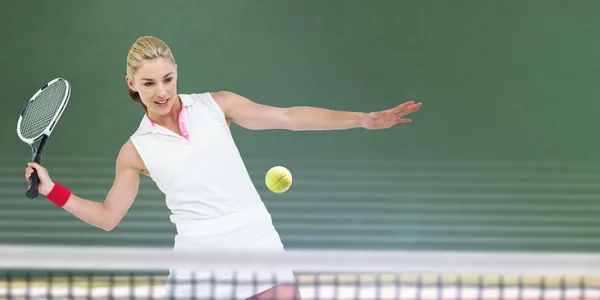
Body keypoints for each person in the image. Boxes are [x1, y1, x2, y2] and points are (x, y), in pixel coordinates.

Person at [24, 36, 422, 300]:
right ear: (132, 84)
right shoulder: (135, 150)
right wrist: (51, 190)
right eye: (149, 84)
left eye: (168, 79)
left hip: (255, 235)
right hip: (198, 255)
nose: (162, 92)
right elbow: (109, 217)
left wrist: (364, 119)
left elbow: (288, 116)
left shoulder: (217, 105)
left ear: (176, 72)